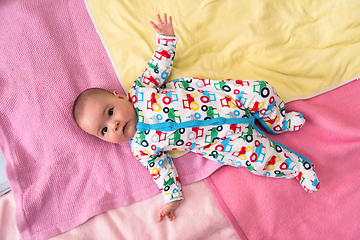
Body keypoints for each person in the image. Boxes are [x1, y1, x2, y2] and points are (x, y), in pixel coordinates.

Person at [73, 13, 320, 222]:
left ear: (119, 96)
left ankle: (278, 121)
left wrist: (166, 40)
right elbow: (161, 170)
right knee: (259, 159)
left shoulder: (141, 90)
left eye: (110, 112)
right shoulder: (141, 148)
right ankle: (298, 168)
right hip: (222, 142)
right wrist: (172, 198)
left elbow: (159, 66)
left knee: (261, 90)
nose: (113, 124)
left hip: (222, 100)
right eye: (104, 131)